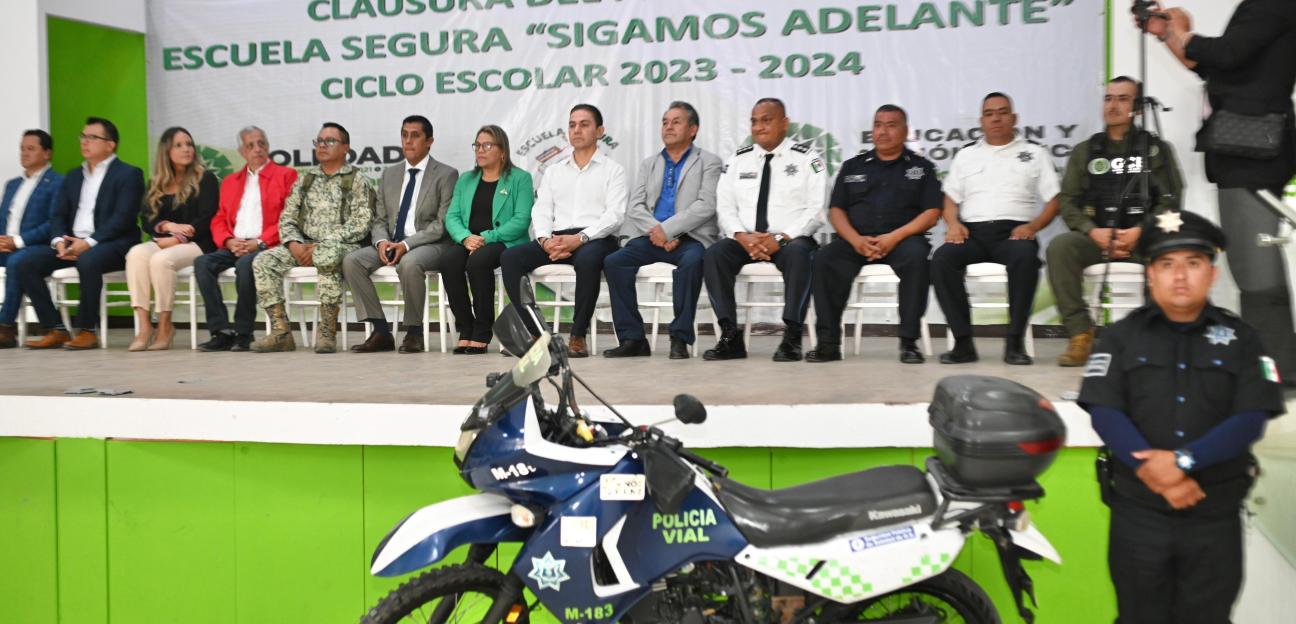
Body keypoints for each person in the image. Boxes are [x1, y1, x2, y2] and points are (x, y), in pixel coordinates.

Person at [1079, 209, 1284, 624]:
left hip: (1213, 515)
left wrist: (1181, 463)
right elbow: (1105, 411)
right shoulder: (1119, 337)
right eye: (1166, 264)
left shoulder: (1243, 338)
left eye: (1192, 263)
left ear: (1212, 272)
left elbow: (1251, 416)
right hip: (1140, 514)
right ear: (1149, 274)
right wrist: (1156, 473)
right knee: (1137, 617)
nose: (1179, 276)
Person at [1147, 0, 1296, 379]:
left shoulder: (1271, 4)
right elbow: (1214, 66)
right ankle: (1272, 366)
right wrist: (1168, 34)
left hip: (1253, 150)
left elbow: (1227, 53)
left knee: (1255, 267)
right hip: (1245, 149)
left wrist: (1183, 29)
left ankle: (1275, 371)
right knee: (1250, 265)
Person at [1045, 77, 1183, 366]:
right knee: (1060, 247)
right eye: (1108, 98)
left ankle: (1153, 338)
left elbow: (1170, 201)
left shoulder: (1156, 149)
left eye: (1122, 98)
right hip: (1097, 236)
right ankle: (1081, 334)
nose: (1113, 105)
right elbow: (1068, 201)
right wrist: (1092, 231)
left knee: (1169, 252)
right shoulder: (1086, 151)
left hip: (1143, 237)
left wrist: (1140, 232)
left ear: (1138, 108)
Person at [931, 93, 1060, 365]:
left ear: (1014, 118)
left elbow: (1054, 200)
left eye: (1002, 112)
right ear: (981, 121)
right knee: (942, 260)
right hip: (972, 233)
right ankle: (963, 343)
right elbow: (950, 199)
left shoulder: (1035, 154)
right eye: (989, 114)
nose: (996, 118)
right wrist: (953, 224)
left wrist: (1033, 226)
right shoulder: (966, 156)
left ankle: (1014, 343)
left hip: (1014, 233)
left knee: (1026, 258)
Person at [806, 104, 941, 364]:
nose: (883, 131)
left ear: (905, 130)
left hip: (903, 240)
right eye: (878, 125)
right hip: (856, 241)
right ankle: (829, 343)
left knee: (917, 258)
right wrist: (856, 240)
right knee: (824, 259)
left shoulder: (922, 167)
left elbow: (932, 212)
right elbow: (836, 211)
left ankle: (909, 343)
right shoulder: (853, 166)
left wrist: (895, 237)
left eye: (891, 125)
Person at [703, 98, 827, 362]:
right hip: (745, 239)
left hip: (790, 240)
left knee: (799, 255)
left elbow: (816, 212)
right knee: (715, 254)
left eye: (766, 120)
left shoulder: (808, 159)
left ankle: (792, 336)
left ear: (784, 123)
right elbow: (725, 207)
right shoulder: (738, 159)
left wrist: (780, 238)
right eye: (754, 121)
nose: (758, 127)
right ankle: (730, 336)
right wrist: (740, 235)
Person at [500, 104, 626, 358]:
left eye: (584, 124)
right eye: (572, 124)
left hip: (595, 237)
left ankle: (578, 336)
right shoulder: (554, 171)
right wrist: (545, 240)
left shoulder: (614, 170)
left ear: (600, 130)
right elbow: (542, 209)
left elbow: (615, 216)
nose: (576, 130)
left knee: (590, 260)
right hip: (556, 237)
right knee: (510, 257)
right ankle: (535, 332)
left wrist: (579, 239)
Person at [602, 101, 723, 359]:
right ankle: (633, 338)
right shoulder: (650, 164)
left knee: (692, 264)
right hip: (652, 237)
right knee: (615, 262)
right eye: (665, 122)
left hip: (691, 238)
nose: (668, 126)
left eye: (676, 122)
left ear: (693, 129)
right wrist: (658, 232)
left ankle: (679, 338)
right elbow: (635, 206)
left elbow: (706, 205)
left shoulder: (709, 162)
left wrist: (669, 230)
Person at [18, 117, 144, 350]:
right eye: (83, 137)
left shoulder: (128, 174)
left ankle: (87, 330)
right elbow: (58, 215)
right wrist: (58, 241)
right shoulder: (74, 175)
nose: (85, 142)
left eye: (92, 137)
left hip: (114, 243)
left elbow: (123, 218)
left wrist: (88, 242)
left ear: (110, 144)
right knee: (26, 263)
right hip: (72, 242)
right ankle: (54, 328)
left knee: (89, 260)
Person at [250, 122, 374, 354]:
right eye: (319, 141)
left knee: (328, 254)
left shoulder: (357, 180)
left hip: (341, 246)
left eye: (330, 141)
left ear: (345, 147)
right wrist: (294, 244)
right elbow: (287, 218)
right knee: (263, 261)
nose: (322, 146)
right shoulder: (306, 180)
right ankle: (281, 332)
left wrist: (324, 243)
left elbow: (361, 223)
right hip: (303, 246)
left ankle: (327, 330)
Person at [344, 115, 458, 354]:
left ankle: (414, 332)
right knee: (353, 261)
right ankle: (381, 331)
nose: (408, 141)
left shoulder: (446, 174)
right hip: (392, 242)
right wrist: (382, 242)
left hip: (430, 244)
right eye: (404, 135)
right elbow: (379, 219)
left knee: (409, 263)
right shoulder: (390, 174)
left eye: (415, 135)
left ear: (430, 141)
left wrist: (405, 246)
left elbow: (441, 224)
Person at [193, 126, 297, 352]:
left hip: (267, 245)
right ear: (242, 151)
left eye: (261, 143)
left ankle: (243, 331)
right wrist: (228, 241)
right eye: (250, 145)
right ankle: (220, 331)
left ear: (268, 147)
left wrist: (259, 242)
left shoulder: (286, 175)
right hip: (235, 244)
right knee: (202, 263)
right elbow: (219, 218)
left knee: (246, 264)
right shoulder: (231, 181)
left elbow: (289, 217)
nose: (257, 149)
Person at [124, 127, 219, 351]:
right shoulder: (157, 182)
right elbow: (147, 219)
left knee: (161, 260)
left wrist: (176, 239)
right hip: (163, 240)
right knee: (136, 254)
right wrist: (167, 226)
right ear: (166, 151)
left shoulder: (205, 178)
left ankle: (165, 325)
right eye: (179, 145)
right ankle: (145, 326)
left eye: (189, 144)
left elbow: (208, 217)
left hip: (199, 243)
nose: (186, 149)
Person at [442, 125, 534, 354]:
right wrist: (464, 238)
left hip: (504, 241)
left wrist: (486, 237)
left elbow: (521, 220)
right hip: (469, 240)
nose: (480, 150)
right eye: (477, 145)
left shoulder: (520, 179)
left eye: (487, 145)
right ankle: (466, 328)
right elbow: (452, 216)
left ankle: (482, 331)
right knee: (449, 261)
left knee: (478, 262)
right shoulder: (466, 179)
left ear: (502, 151)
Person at [0, 130, 64, 348]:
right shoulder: (12, 185)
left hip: (38, 248)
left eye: (31, 149)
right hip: (7, 247)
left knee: (19, 261)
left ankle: (5, 327)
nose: (24, 153)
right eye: (22, 148)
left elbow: (53, 223)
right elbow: (3, 218)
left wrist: (17, 241)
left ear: (47, 153)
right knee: (16, 260)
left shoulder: (57, 182)